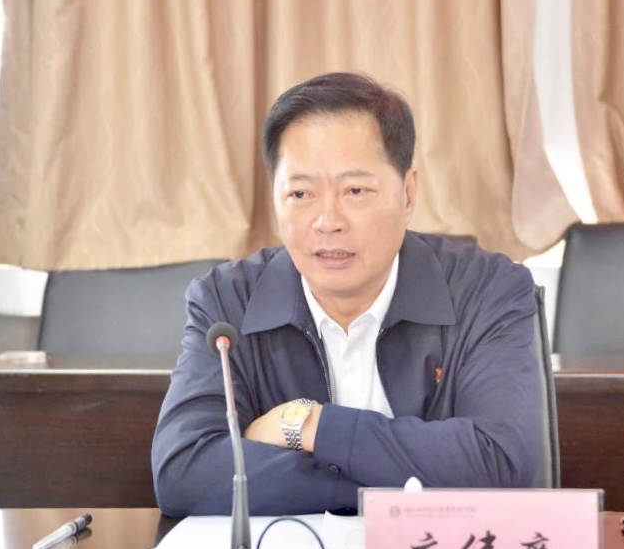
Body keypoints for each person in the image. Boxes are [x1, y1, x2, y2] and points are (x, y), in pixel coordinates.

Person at [151, 72, 541, 516]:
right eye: (301, 193)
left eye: (355, 191)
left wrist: (307, 424)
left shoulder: (486, 290)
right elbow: (184, 473)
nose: (327, 221)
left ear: (408, 193)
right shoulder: (226, 302)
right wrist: (394, 483)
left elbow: (498, 462)